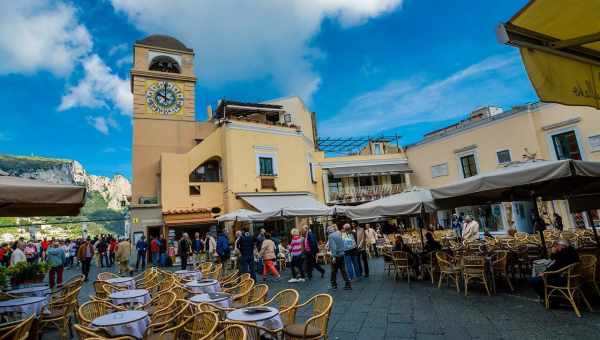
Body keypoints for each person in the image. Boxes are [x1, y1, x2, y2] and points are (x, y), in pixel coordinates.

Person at [327, 225, 351, 290]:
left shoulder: (330, 236)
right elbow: (342, 244)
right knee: (343, 270)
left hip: (336, 255)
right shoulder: (338, 234)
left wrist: (334, 257)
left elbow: (333, 247)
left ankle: (334, 285)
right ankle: (348, 284)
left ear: (328, 231)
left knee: (333, 271)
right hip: (341, 254)